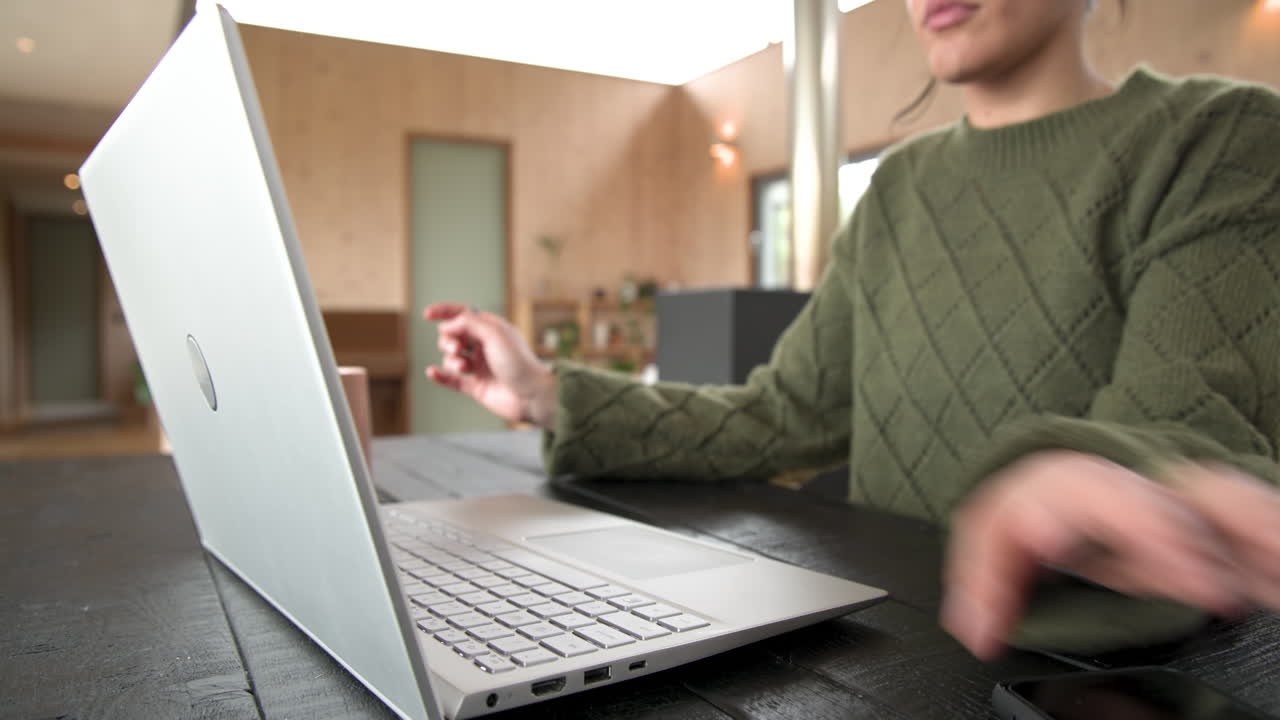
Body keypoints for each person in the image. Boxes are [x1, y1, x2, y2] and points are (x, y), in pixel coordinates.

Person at [424, 0, 1280, 660]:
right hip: (885, 657)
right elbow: (776, 416)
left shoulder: (1219, 139)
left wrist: (1097, 485)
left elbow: (1193, 430)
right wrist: (544, 394)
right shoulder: (899, 190)